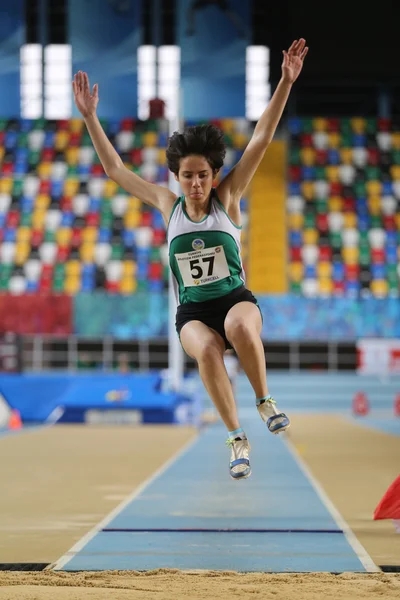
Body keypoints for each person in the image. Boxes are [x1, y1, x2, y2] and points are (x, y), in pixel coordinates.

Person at [72, 38, 308, 480]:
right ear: (176, 178)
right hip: (193, 312)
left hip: (235, 299)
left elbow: (261, 137)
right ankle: (237, 439)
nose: (196, 184)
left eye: (203, 175)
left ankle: (263, 399)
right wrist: (89, 117)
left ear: (213, 174)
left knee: (238, 326)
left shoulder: (229, 195)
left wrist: (285, 83)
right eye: (188, 176)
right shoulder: (167, 204)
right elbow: (116, 171)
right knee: (206, 352)